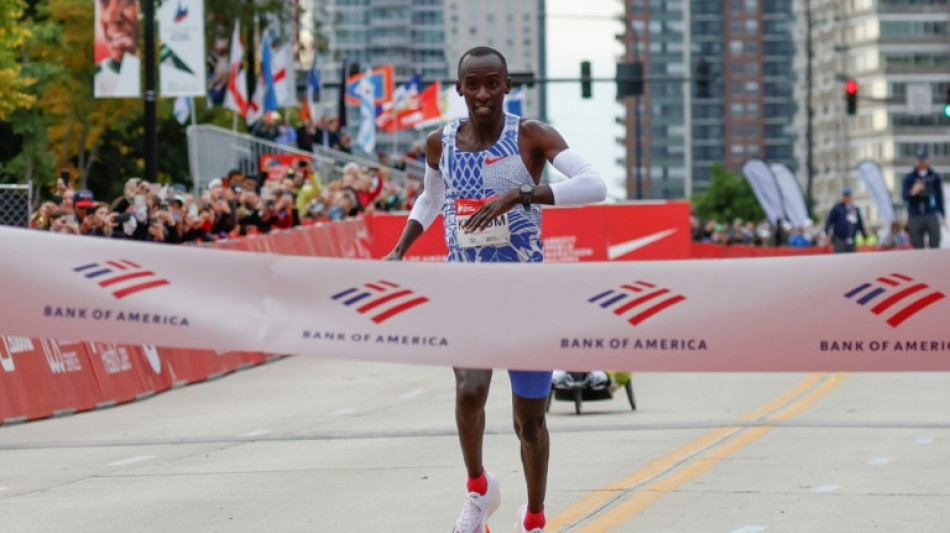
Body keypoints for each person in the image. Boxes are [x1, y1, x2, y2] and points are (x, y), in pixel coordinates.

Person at [383, 46, 606, 533]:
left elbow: (595, 185)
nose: (483, 94)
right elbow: (432, 197)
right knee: (469, 393)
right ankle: (478, 489)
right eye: (473, 84)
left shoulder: (531, 136)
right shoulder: (439, 143)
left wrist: (523, 193)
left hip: (527, 299)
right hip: (468, 294)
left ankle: (534, 517)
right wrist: (401, 247)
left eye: (492, 84)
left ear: (507, 86)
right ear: (459, 88)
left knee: (529, 423)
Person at [94, 0, 140, 98]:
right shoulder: (96, 77)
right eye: (105, 3)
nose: (113, 18)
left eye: (126, 2)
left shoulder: (172, 68)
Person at [902, 148, 945, 249]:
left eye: (923, 160)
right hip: (915, 214)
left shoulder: (934, 177)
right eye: (919, 160)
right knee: (917, 243)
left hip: (931, 213)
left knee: (935, 241)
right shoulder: (909, 178)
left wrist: (942, 214)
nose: (921, 162)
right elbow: (905, 196)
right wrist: (914, 191)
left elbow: (939, 196)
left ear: (927, 160)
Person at [824, 187, 866, 253]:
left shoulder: (854, 209)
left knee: (852, 258)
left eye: (848, 196)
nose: (847, 197)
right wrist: (827, 233)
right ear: (843, 196)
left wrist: (864, 234)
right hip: (840, 239)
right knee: (841, 257)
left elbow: (859, 222)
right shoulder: (837, 208)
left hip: (852, 238)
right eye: (845, 196)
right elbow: (830, 221)